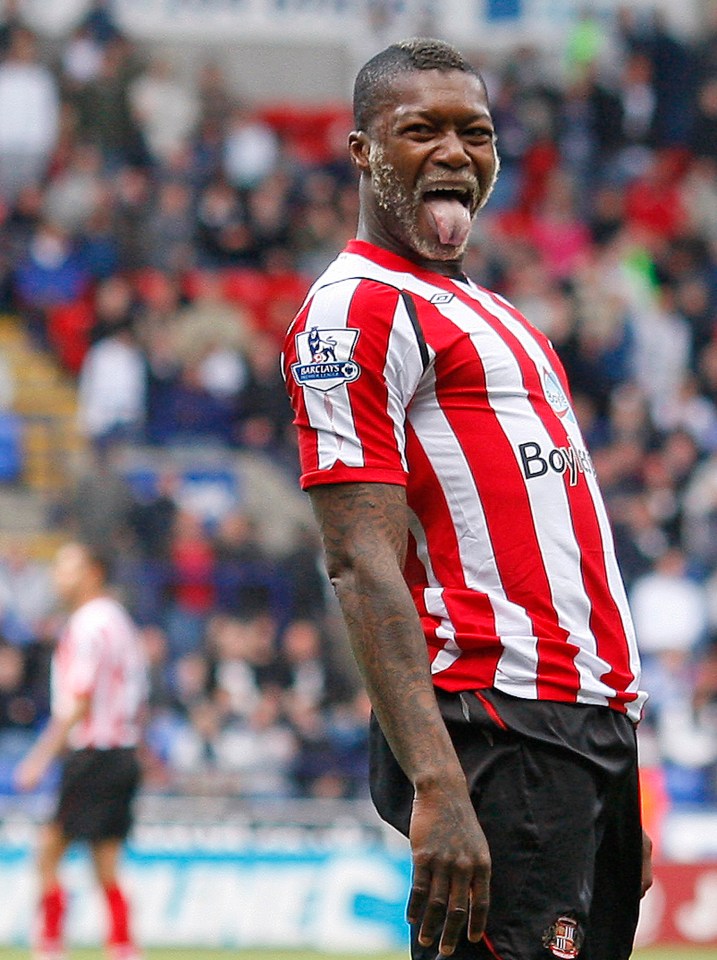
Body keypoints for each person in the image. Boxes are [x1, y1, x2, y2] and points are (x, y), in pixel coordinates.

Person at [283, 38, 652, 960]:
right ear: (362, 149)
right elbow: (357, 559)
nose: (455, 151)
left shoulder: (494, 311)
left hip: (580, 729)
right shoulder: (353, 309)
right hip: (496, 719)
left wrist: (613, 773)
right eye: (421, 130)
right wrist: (439, 785)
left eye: (475, 132)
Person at [16, 542, 147, 960]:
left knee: (49, 848)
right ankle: (123, 945)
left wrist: (38, 758)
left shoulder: (87, 625)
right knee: (105, 859)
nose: (58, 576)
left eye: (66, 568)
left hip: (93, 752)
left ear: (92, 572)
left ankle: (51, 944)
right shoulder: (120, 621)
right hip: (122, 750)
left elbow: (80, 699)